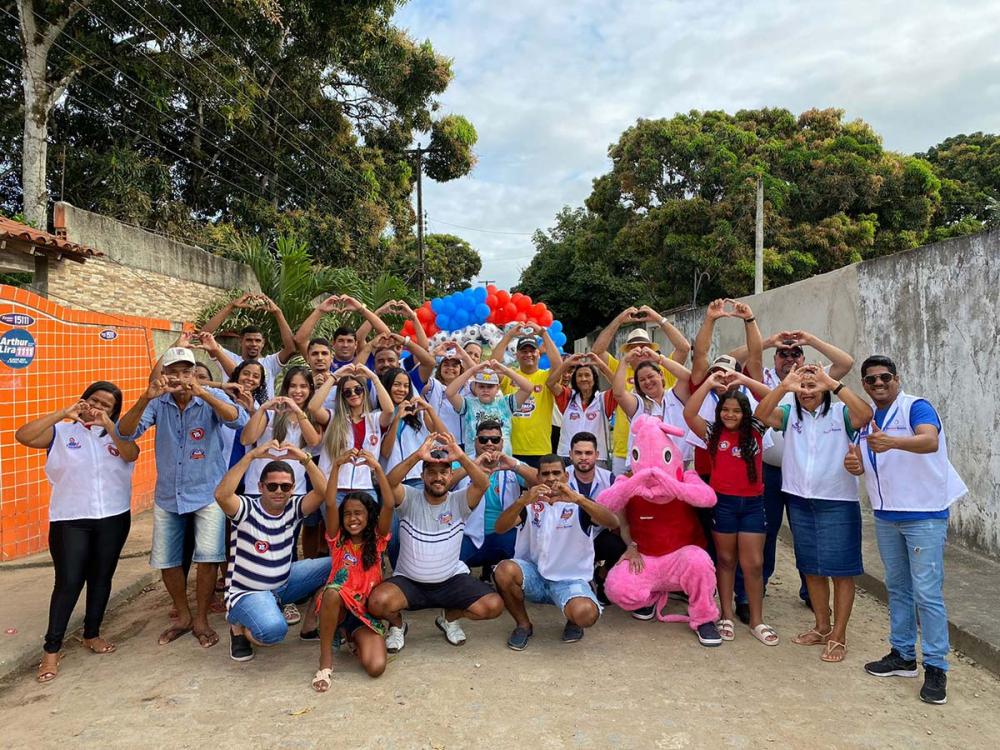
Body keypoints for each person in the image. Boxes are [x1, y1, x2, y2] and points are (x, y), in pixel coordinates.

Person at [847, 355, 966, 705]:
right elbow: (863, 463)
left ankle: (936, 667)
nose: (878, 384)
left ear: (897, 379)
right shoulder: (866, 419)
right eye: (871, 380)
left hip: (924, 514)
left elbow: (928, 441)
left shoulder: (916, 407)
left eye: (885, 377)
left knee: (927, 593)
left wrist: (893, 442)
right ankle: (902, 655)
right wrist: (853, 465)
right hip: (886, 514)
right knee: (897, 587)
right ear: (865, 385)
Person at [117, 347, 248, 649]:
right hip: (168, 495)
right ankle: (184, 615)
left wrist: (205, 393)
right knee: (167, 559)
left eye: (185, 372)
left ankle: (201, 618)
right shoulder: (157, 402)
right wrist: (145, 397)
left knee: (208, 558)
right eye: (172, 372)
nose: (179, 378)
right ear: (164, 375)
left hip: (207, 492)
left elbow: (237, 420)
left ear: (192, 374)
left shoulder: (207, 399)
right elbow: (125, 433)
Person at [730, 329, 855, 622]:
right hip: (770, 471)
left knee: (807, 534)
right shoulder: (765, 377)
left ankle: (812, 593)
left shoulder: (816, 377)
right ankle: (751, 592)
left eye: (794, 352)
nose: (789, 357)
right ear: (774, 357)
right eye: (783, 353)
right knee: (764, 532)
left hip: (809, 478)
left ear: (803, 357)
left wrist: (810, 340)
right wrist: (768, 341)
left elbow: (846, 363)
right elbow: (731, 362)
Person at [16, 383, 138, 683]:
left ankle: (92, 634)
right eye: (93, 401)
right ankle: (51, 651)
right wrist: (64, 413)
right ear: (83, 401)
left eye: (106, 405)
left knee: (101, 578)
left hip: (113, 517)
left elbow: (130, 454)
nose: (97, 407)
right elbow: (24, 435)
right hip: (70, 519)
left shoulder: (118, 435)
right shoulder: (61, 433)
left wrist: (109, 425)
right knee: (69, 582)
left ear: (114, 411)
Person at [755, 364, 872, 663]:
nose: (807, 391)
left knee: (842, 570)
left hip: (837, 500)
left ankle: (839, 634)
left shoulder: (840, 412)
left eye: (813, 385)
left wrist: (832, 383)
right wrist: (784, 387)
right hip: (799, 499)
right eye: (802, 386)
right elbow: (761, 415)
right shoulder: (789, 413)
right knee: (811, 567)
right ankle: (822, 626)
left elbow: (865, 415)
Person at [367, 434, 504, 652]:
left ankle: (448, 618)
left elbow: (482, 483)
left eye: (443, 472)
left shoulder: (460, 501)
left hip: (450, 580)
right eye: (431, 472)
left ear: (451, 475)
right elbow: (389, 482)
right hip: (409, 581)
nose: (437, 478)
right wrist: (418, 455)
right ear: (422, 475)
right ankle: (397, 626)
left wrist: (460, 455)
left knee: (493, 605)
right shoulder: (409, 498)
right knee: (376, 603)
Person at [213, 441, 330, 662]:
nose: (279, 491)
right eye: (272, 486)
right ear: (260, 487)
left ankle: (309, 627)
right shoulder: (245, 508)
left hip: (283, 583)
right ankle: (237, 627)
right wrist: (251, 457)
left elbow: (323, 492)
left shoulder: (293, 507)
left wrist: (304, 458)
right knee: (273, 631)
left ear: (293, 489)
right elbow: (221, 495)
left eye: (285, 487)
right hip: (247, 592)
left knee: (337, 567)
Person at [684, 370, 778, 646]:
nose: (730, 415)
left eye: (736, 410)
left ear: (745, 412)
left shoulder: (757, 429)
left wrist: (745, 381)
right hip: (722, 504)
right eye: (725, 410)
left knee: (754, 563)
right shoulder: (713, 433)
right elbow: (690, 414)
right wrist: (707, 384)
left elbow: (771, 398)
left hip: (752, 505)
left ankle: (757, 621)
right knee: (725, 561)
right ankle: (725, 615)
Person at [493, 454, 620, 649]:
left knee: (586, 614)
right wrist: (521, 502)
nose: (551, 478)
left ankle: (574, 617)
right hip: (535, 575)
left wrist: (578, 499)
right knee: (503, 570)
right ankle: (523, 625)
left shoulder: (579, 504)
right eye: (545, 474)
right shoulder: (530, 503)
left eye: (556, 473)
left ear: (566, 476)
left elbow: (613, 522)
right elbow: (500, 528)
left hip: (569, 580)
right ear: (538, 477)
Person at [313, 450, 396, 690]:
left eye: (358, 513)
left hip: (364, 614)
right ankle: (325, 659)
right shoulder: (337, 540)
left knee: (376, 667)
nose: (352, 518)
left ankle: (351, 637)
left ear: (369, 516)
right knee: (332, 591)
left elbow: (389, 503)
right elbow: (329, 502)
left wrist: (377, 469)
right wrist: (337, 465)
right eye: (347, 514)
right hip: (337, 608)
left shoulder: (378, 540)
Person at [590, 305, 692, 476]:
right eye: (633, 347)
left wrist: (658, 318)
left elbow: (684, 349)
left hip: (670, 450)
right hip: (627, 449)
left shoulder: (664, 369)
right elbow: (598, 350)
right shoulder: (620, 368)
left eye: (644, 346)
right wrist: (619, 319)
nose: (639, 350)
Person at [453, 420, 537, 577]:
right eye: (483, 439)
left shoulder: (511, 463)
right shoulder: (464, 463)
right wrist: (471, 466)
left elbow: (540, 481)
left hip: (505, 533)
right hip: (468, 534)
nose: (489, 444)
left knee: (518, 569)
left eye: (495, 440)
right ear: (475, 441)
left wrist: (515, 465)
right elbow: (445, 484)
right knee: (449, 568)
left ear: (502, 442)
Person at [309, 363, 393, 505]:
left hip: (365, 488)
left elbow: (390, 410)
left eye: (357, 390)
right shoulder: (332, 418)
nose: (353, 394)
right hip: (334, 488)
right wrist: (334, 376)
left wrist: (373, 377)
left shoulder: (374, 419)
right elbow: (313, 407)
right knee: (332, 528)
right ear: (342, 396)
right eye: (347, 392)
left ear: (364, 391)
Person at [241, 366, 322, 494]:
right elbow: (246, 439)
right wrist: (262, 409)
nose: (298, 391)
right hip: (259, 489)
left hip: (294, 490)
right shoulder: (271, 413)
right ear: (286, 388)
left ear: (310, 389)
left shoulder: (312, 417)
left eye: (303, 386)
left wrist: (297, 410)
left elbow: (313, 441)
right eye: (293, 386)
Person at [199, 293, 297, 399]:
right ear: (241, 341)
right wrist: (231, 306)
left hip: (262, 414)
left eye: (257, 341)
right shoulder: (227, 358)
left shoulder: (270, 363)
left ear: (263, 343)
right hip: (232, 413)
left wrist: (278, 313)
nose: (254, 344)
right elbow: (204, 336)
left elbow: (291, 348)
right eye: (249, 340)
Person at [492, 323, 564, 468]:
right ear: (516, 355)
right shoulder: (509, 375)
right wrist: (509, 336)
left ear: (539, 353)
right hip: (511, 448)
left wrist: (544, 334)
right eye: (523, 351)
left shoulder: (546, 377)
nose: (528, 354)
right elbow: (493, 365)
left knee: (540, 490)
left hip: (540, 449)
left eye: (532, 351)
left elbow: (558, 364)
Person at [611, 345, 693, 469]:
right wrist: (624, 361)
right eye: (642, 380)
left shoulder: (675, 395)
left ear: (661, 374)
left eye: (650, 376)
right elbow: (618, 393)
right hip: (646, 467)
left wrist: (660, 359)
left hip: (678, 465)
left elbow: (688, 378)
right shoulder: (639, 403)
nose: (647, 382)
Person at [564, 432, 622, 603]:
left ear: (597, 455)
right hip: (568, 537)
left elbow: (619, 517)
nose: (583, 458)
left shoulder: (609, 478)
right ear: (570, 454)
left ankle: (603, 577)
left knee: (619, 545)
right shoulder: (561, 477)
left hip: (598, 536)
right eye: (578, 453)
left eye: (588, 453)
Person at [446, 360, 534, 456]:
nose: (485, 390)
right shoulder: (468, 404)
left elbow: (528, 388)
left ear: (497, 388)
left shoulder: (505, 403)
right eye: (481, 386)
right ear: (475, 387)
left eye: (490, 386)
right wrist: (472, 371)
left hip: (503, 463)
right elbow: (449, 393)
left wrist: (505, 370)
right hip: (475, 463)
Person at [379, 367, 448, 485]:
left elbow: (444, 439)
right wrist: (397, 418)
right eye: (396, 384)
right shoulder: (378, 415)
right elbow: (385, 453)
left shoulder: (418, 413)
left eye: (406, 386)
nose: (402, 389)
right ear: (387, 386)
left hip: (419, 477)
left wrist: (429, 409)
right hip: (392, 480)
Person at [549, 353, 617, 466]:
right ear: (575, 380)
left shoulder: (603, 399)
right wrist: (566, 364)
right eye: (579, 376)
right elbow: (550, 383)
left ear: (594, 378)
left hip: (596, 457)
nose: (583, 378)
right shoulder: (568, 396)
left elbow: (619, 385)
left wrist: (601, 365)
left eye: (587, 375)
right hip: (567, 455)